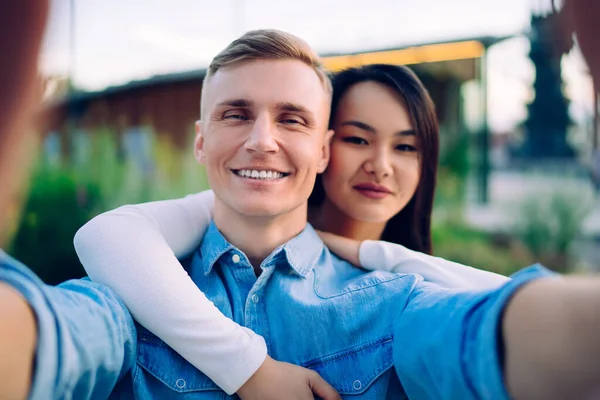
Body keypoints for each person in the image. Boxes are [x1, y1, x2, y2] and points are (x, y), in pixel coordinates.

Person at [1, 11, 600, 400]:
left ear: (320, 149)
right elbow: (59, 335)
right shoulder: (132, 297)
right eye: (236, 114)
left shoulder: (392, 305)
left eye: (291, 119)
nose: (263, 139)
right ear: (200, 139)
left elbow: (490, 335)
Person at [73, 63, 509, 395]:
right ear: (323, 146)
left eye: (407, 146)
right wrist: (248, 369)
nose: (381, 165)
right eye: (357, 139)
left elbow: (502, 307)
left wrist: (374, 253)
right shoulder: (238, 211)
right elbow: (109, 235)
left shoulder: (398, 293)